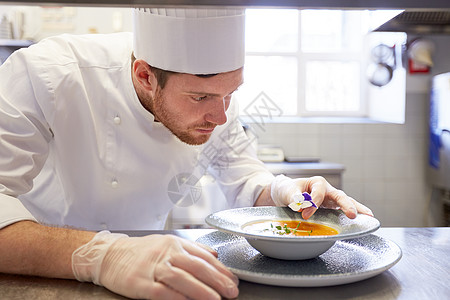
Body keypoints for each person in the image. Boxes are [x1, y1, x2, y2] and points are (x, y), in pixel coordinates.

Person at [0, 7, 373, 300]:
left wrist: (288, 193)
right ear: (145, 76)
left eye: (231, 93)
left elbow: (245, 180)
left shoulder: (218, 106)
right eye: (201, 97)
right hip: (42, 276)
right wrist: (104, 256)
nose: (221, 115)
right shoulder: (48, 74)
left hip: (149, 279)